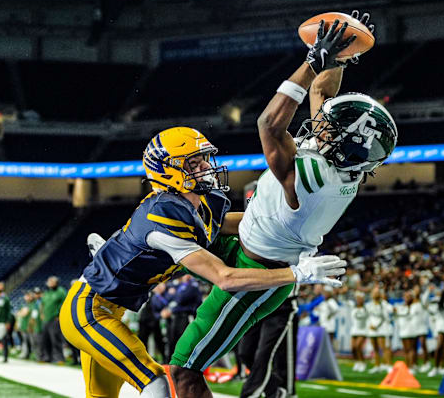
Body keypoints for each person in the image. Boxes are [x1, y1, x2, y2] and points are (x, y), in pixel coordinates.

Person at [169, 12, 397, 397]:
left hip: (254, 273)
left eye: (331, 127)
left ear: (344, 143)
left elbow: (269, 124)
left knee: (184, 371)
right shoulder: (345, 164)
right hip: (250, 238)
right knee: (166, 227)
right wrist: (338, 57)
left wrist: (312, 62)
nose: (321, 124)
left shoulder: (314, 178)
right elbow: (322, 97)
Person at [60, 126, 343, 398]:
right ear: (168, 172)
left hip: (112, 306)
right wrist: (297, 273)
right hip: (89, 311)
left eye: (204, 159)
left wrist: (298, 230)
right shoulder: (163, 217)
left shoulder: (197, 203)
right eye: (192, 164)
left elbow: (249, 225)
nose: (205, 168)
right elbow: (226, 278)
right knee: (155, 381)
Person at [40, 276, 69, 363]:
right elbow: (42, 304)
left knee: (55, 339)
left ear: (56, 282)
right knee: (45, 339)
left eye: (52, 281)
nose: (50, 283)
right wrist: (41, 314)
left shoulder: (61, 291)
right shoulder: (47, 293)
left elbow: (65, 303)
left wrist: (60, 315)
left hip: (54, 319)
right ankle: (47, 357)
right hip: (46, 319)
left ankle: (59, 358)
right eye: (49, 281)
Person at [350, 291, 368, 372]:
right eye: (357, 299)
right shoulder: (354, 307)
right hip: (354, 329)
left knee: (358, 346)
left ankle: (362, 362)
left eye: (360, 299)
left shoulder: (366, 308)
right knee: (353, 348)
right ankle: (357, 362)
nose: (358, 300)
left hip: (363, 330)